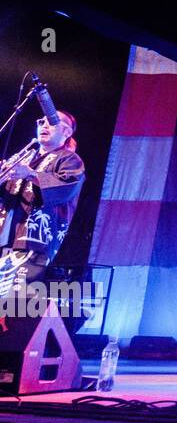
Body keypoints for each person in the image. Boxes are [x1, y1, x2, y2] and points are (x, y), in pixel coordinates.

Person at [0, 111, 85, 299]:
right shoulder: (22, 158)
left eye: (52, 122)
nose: (44, 125)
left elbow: (66, 188)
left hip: (33, 242)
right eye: (41, 121)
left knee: (16, 301)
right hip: (4, 237)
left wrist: (30, 174)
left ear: (66, 132)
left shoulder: (70, 160)